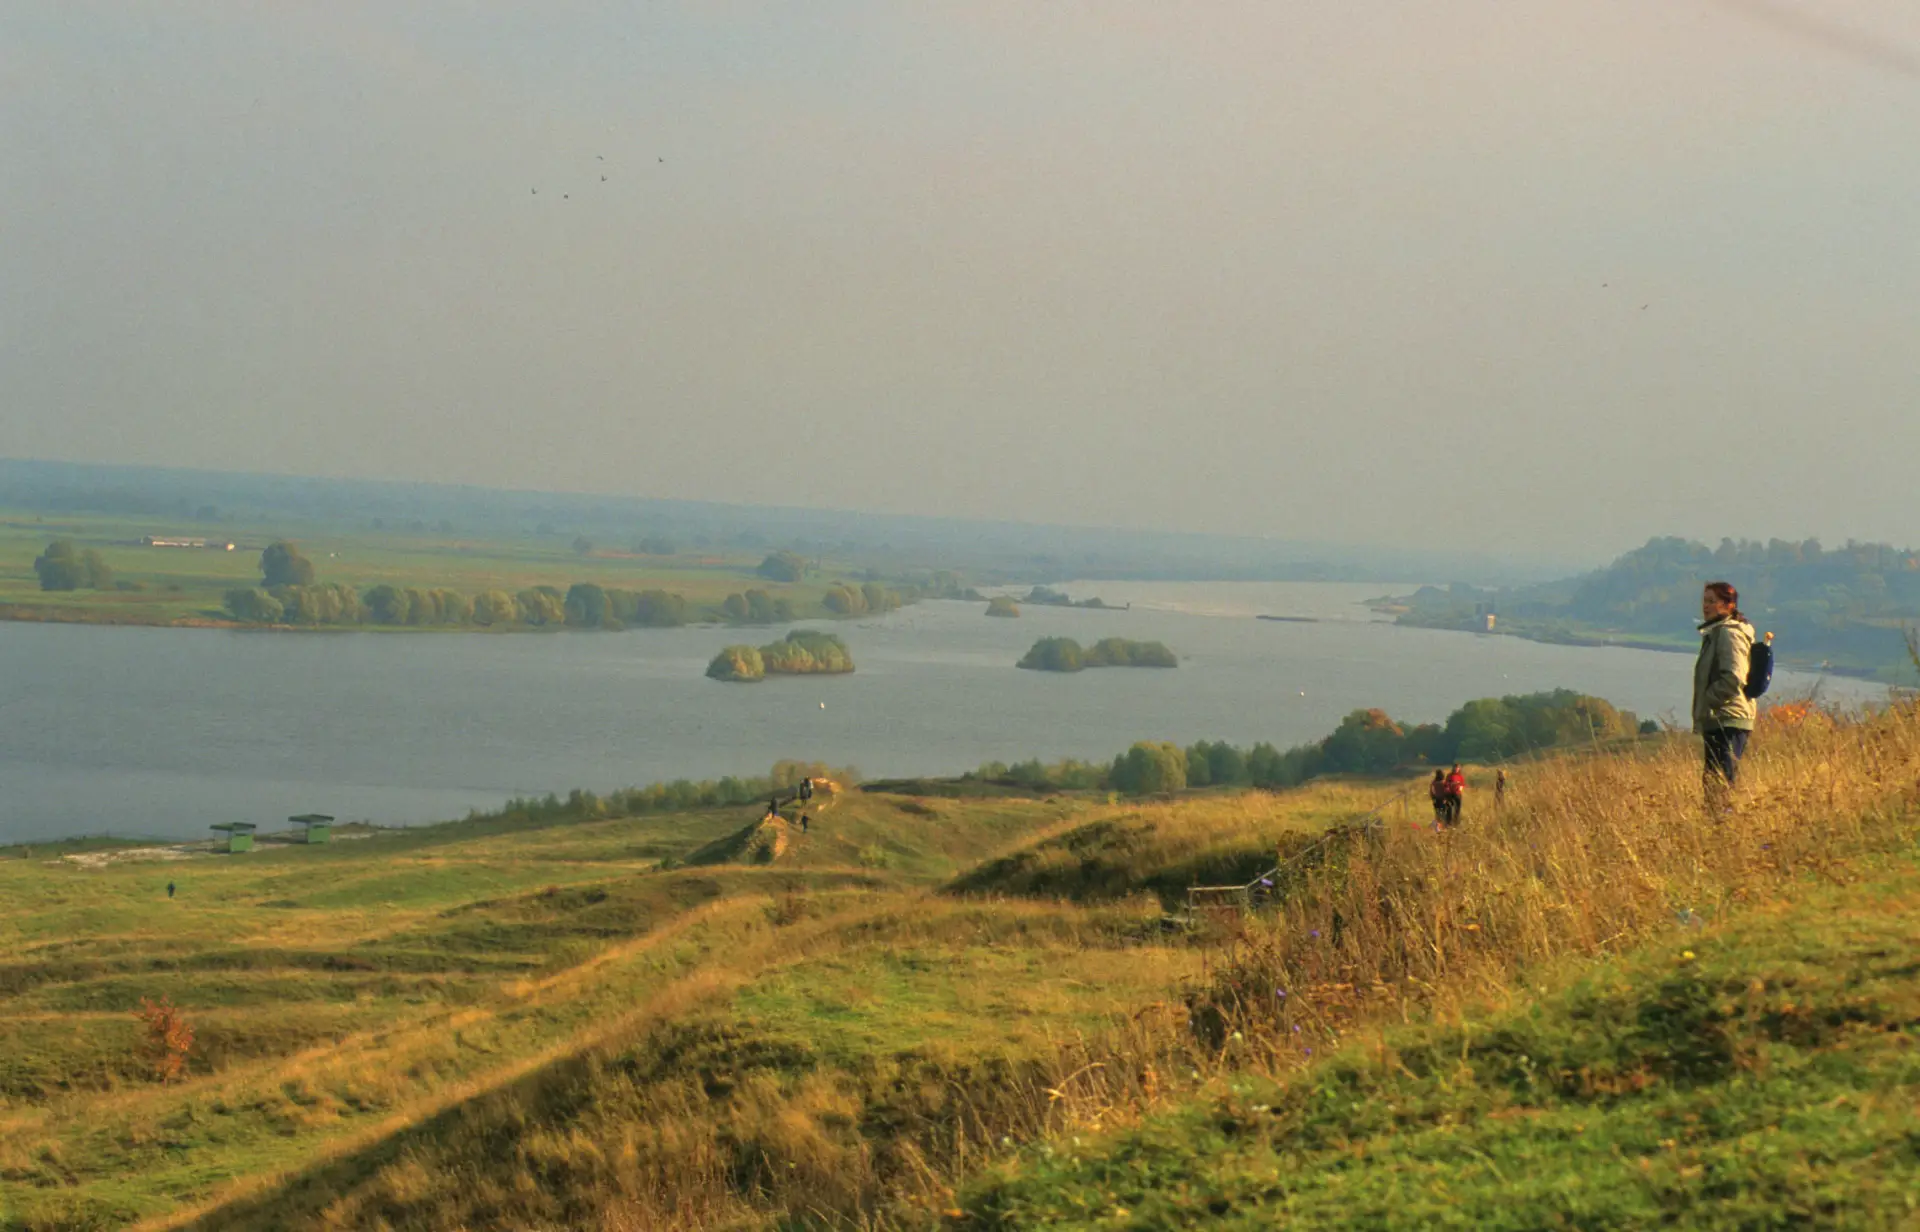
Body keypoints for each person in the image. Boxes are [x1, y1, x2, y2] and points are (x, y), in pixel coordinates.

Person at [1694, 581, 1757, 808]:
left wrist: (1709, 700)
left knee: (1720, 785)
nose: (1705, 606)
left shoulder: (1729, 634)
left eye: (1712, 601)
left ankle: (1723, 823)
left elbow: (1734, 677)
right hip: (1720, 719)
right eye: (1704, 601)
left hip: (1728, 719)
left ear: (1729, 605)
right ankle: (1715, 824)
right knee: (1714, 784)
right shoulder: (1717, 632)